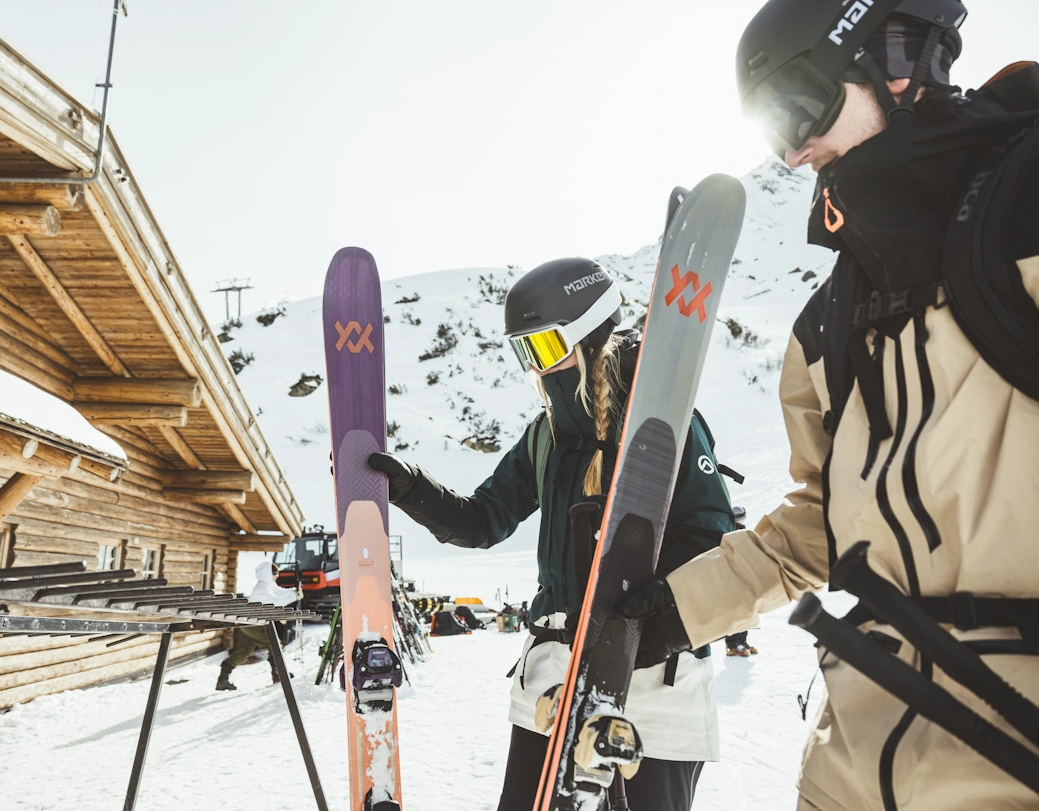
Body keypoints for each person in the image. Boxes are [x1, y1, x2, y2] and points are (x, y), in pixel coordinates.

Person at [621, 2, 1039, 808]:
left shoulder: (1024, 207)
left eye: (797, 107)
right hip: (854, 748)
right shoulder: (829, 323)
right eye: (768, 129)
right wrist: (672, 611)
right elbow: (822, 521)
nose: (789, 149)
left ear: (894, 56)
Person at [369, 258, 739, 811]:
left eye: (541, 349)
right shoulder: (546, 436)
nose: (533, 370)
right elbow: (481, 520)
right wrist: (408, 488)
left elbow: (712, 534)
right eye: (522, 353)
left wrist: (656, 603)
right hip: (555, 678)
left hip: (652, 675)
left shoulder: (664, 421)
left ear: (589, 337)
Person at [216, 561, 297, 691]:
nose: (277, 576)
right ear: (268, 574)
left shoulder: (268, 585)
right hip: (251, 624)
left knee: (243, 652)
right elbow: (275, 602)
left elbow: (279, 592)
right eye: (275, 573)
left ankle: (222, 680)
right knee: (274, 645)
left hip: (250, 623)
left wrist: (293, 590)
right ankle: (279, 675)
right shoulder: (261, 588)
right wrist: (295, 596)